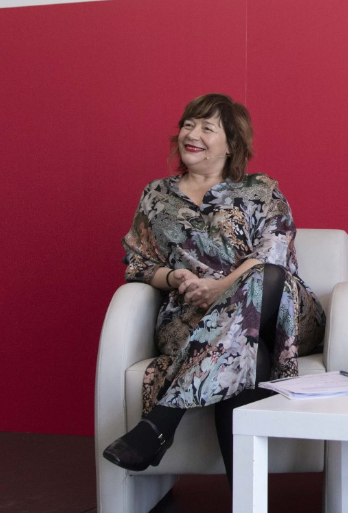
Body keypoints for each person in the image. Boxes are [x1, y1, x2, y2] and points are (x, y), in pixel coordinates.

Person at [101, 93, 325, 480]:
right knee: (249, 359)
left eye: (207, 128)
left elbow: (274, 253)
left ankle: (162, 422)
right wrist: (174, 277)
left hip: (279, 315)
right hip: (192, 317)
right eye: (188, 125)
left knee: (267, 276)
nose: (193, 134)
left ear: (231, 144)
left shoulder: (260, 189)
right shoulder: (156, 195)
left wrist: (220, 287)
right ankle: (246, 503)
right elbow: (139, 263)